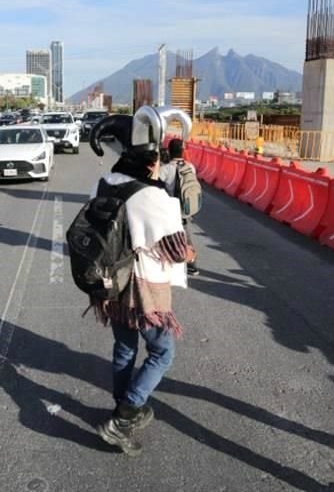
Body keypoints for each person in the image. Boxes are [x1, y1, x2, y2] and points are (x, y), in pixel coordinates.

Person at [88, 112, 195, 456]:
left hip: (110, 284)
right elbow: (177, 250)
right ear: (151, 163)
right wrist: (190, 253)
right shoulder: (152, 196)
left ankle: (122, 403)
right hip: (142, 290)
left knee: (124, 348)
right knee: (163, 352)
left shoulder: (104, 183)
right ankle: (125, 414)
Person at [159, 138, 200, 276]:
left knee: (163, 235)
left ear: (169, 151)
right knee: (186, 236)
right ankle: (192, 264)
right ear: (183, 152)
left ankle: (165, 263)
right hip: (185, 208)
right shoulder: (190, 167)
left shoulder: (164, 169)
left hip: (169, 208)